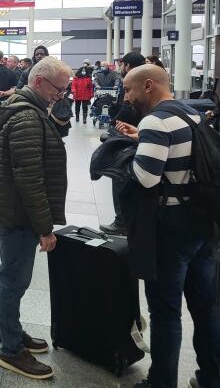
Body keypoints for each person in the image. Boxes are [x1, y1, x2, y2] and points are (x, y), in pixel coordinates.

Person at [116, 65, 220, 388]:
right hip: (202, 222)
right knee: (206, 308)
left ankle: (161, 381)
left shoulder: (155, 120)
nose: (126, 97)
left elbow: (146, 176)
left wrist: (124, 157)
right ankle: (212, 376)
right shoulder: (191, 114)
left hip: (170, 229)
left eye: (129, 90)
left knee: (165, 312)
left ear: (148, 86)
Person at [0, 56, 71, 380]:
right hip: (17, 213)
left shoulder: (27, 109)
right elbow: (29, 179)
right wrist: (45, 229)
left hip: (14, 208)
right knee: (14, 279)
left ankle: (10, 332)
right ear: (40, 82)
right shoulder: (28, 119)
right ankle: (11, 350)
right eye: (58, 89)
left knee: (16, 277)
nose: (61, 96)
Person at [100, 52, 147, 236]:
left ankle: (122, 222)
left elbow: (127, 109)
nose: (126, 96)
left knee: (120, 177)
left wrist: (116, 122)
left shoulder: (135, 80)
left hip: (129, 138)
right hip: (134, 134)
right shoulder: (143, 78)